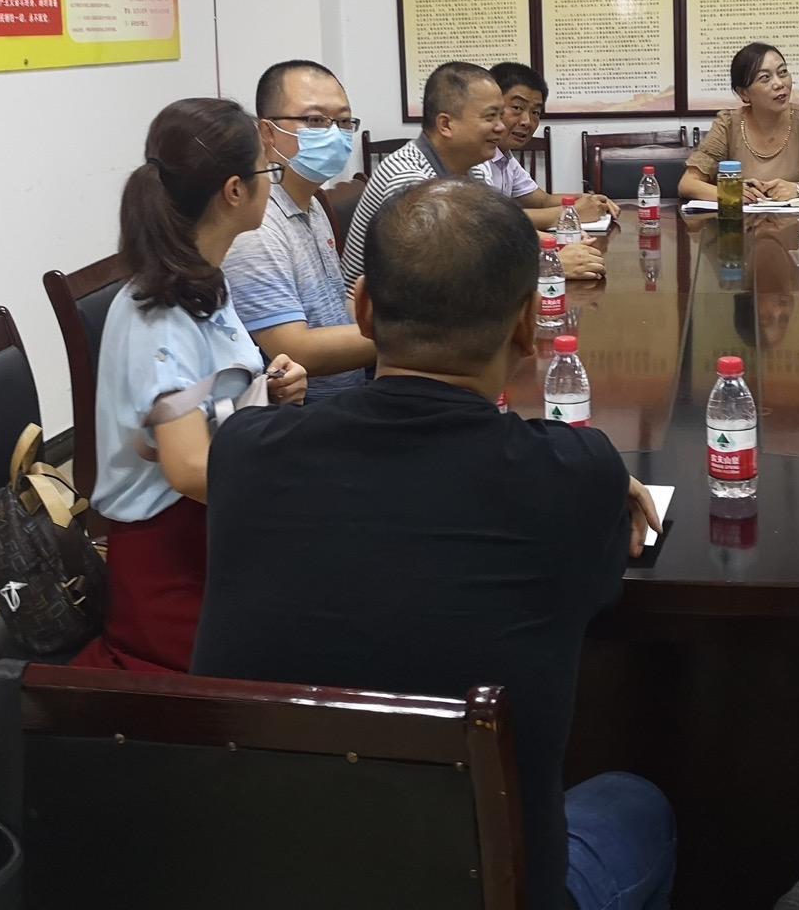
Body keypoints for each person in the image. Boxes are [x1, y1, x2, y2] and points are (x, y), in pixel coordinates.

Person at [194, 178, 675, 910]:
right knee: (636, 801)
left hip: (271, 876)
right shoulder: (572, 475)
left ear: (362, 309)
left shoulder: (244, 451)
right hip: (489, 886)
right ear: (528, 326)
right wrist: (605, 483)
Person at [75, 98, 307, 673]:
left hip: (216, 533)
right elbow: (188, 468)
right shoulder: (160, 313)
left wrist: (265, 390)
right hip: (172, 561)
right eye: (267, 171)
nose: (272, 183)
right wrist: (299, 485)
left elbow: (206, 399)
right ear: (234, 191)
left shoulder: (203, 278)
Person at [341, 61, 605, 287]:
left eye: (501, 116)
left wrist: (553, 245)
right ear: (446, 124)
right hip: (385, 319)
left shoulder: (474, 167)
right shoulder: (410, 181)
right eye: (491, 117)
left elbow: (496, 230)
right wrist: (549, 265)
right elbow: (445, 280)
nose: (501, 127)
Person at [224, 59, 374, 401]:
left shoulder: (312, 201)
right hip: (304, 414)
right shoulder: (257, 225)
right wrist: (413, 338)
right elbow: (295, 349)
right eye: (315, 121)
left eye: (344, 121)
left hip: (352, 394)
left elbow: (332, 311)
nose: (334, 133)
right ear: (267, 133)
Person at [679, 43, 799, 204]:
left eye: (783, 72)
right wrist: (731, 193)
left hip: (796, 224)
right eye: (765, 78)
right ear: (744, 93)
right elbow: (687, 184)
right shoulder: (728, 124)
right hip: (742, 224)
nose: (779, 83)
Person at [488, 61, 619, 230]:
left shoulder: (505, 157)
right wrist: (571, 213)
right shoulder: (476, 158)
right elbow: (490, 219)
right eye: (517, 107)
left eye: (535, 112)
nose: (527, 121)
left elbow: (543, 201)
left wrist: (588, 200)